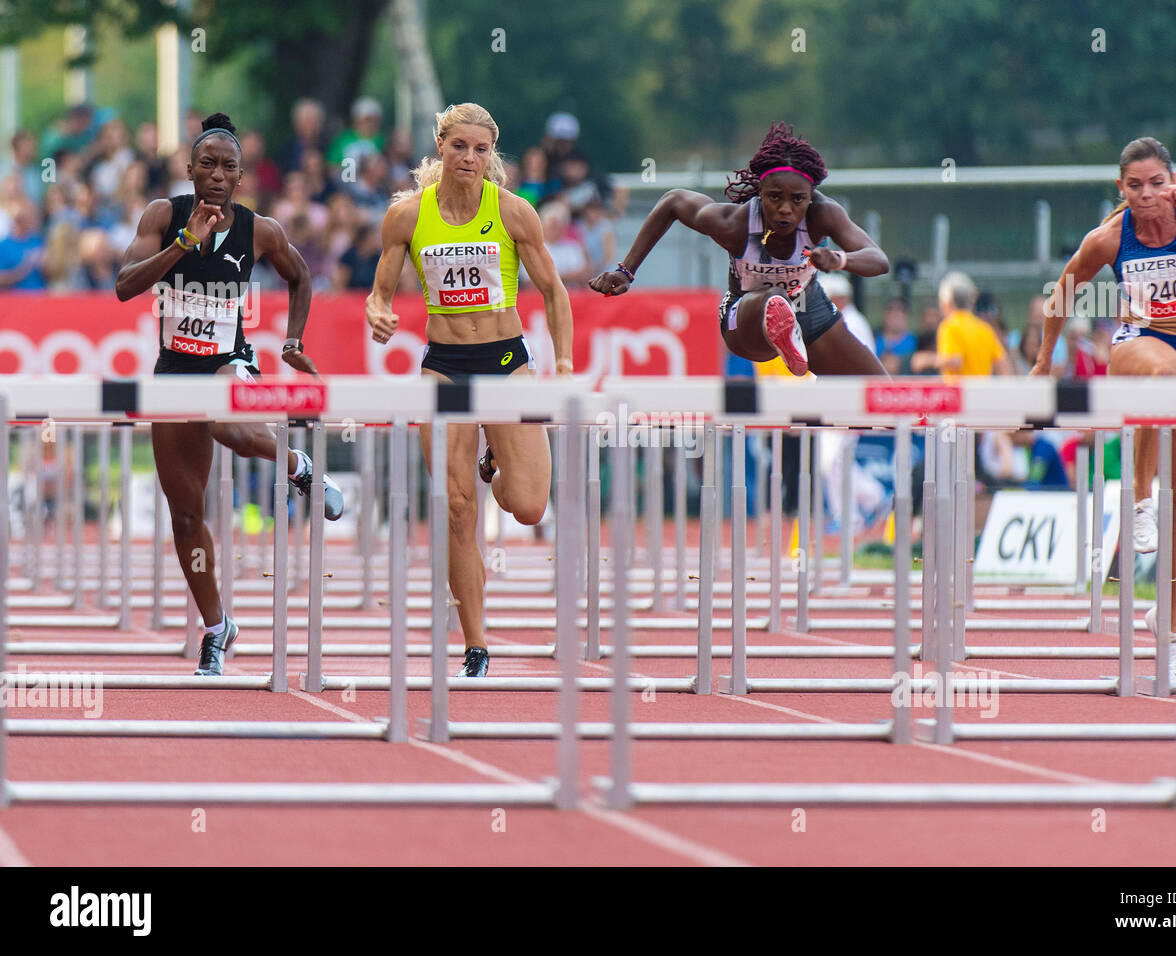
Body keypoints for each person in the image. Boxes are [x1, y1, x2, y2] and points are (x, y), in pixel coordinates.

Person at [115, 113, 345, 677]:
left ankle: (297, 464)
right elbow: (125, 287)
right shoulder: (162, 216)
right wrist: (182, 245)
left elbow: (301, 276)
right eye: (207, 165)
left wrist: (292, 340)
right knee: (187, 515)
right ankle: (217, 629)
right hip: (174, 370)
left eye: (228, 167)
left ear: (241, 176)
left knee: (227, 425)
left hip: (231, 362)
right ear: (190, 169)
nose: (217, 175)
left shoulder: (258, 229)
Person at [1032, 136, 1176, 680]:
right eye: (1134, 186)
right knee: (1163, 375)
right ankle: (1139, 495)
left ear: (1172, 182)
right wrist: (1044, 362)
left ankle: (1172, 627)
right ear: (1121, 188)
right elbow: (1062, 292)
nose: (1146, 195)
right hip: (1137, 350)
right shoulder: (1110, 238)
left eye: (1156, 184)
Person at [366, 103, 574, 678]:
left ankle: (496, 468)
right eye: (459, 147)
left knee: (530, 506)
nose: (470, 158)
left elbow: (555, 291)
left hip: (505, 363)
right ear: (441, 149)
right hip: (445, 366)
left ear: (492, 156)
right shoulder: (408, 218)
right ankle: (477, 645)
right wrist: (378, 313)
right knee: (458, 512)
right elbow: (380, 292)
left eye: (481, 150)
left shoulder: (513, 213)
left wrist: (563, 360)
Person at [591, 122, 889, 377]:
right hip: (745, 317)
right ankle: (780, 330)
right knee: (775, 300)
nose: (785, 210)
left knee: (886, 398)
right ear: (760, 193)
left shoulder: (824, 214)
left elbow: (878, 260)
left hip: (809, 308)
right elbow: (672, 201)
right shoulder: (734, 224)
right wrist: (626, 270)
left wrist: (839, 259)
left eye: (797, 200)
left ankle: (792, 336)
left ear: (811, 197)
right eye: (774, 197)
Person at [932, 271, 1010, 378]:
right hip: (982, 391)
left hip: (959, 392)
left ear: (947, 302)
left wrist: (927, 360)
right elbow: (1003, 364)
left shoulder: (949, 327)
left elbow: (955, 360)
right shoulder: (984, 329)